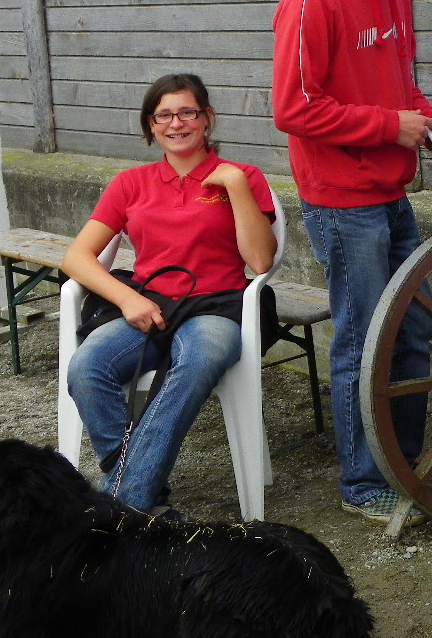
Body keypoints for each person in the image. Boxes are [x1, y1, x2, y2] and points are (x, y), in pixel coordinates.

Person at [271, 0, 432, 526]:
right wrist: (391, 126)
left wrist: (429, 124)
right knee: (360, 341)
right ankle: (361, 481)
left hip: (390, 191)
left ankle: (401, 462)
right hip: (341, 200)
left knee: (411, 331)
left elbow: (400, 87)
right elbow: (293, 107)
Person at [62, 73, 276, 516]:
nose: (176, 124)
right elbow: (77, 258)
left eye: (187, 113)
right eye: (164, 116)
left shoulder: (244, 176)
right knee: (87, 367)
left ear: (207, 118)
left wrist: (235, 186)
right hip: (148, 303)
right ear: (151, 125)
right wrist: (127, 299)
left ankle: (120, 505)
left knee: (196, 361)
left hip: (217, 306)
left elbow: (260, 261)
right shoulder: (130, 183)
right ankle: (145, 498)